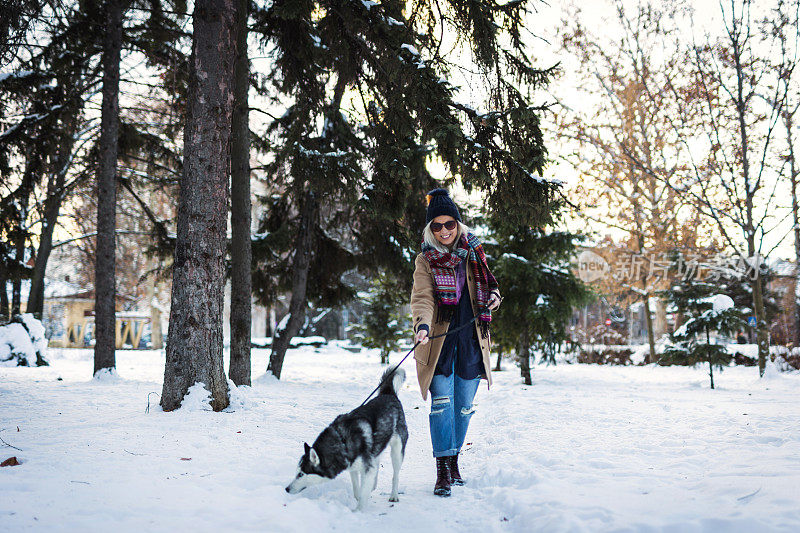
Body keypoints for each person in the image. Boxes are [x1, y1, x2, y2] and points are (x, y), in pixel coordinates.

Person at [410, 188, 501, 497]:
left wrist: (494, 299)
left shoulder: (474, 252)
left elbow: (491, 286)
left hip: (472, 341)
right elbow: (422, 297)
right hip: (439, 343)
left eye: (450, 224)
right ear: (430, 229)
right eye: (437, 225)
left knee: (462, 408)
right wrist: (421, 325)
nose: (445, 230)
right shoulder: (426, 259)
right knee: (441, 406)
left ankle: (454, 461)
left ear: (458, 224)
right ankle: (442, 470)